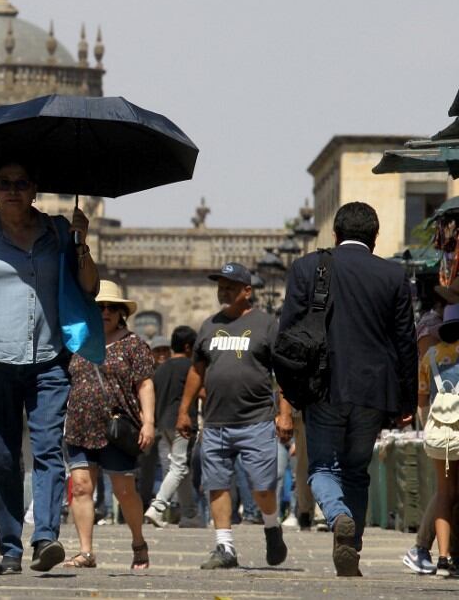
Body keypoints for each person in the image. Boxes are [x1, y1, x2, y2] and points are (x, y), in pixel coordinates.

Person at [0, 160, 99, 575]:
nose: (12, 190)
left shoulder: (58, 232)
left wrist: (81, 243)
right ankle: (10, 546)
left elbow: (89, 288)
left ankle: (45, 536)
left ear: (35, 190)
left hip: (50, 358)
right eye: (4, 183)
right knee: (5, 456)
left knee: (48, 449)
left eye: (22, 183)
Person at [280, 202, 417, 577]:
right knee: (357, 470)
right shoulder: (393, 276)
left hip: (322, 386)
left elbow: (287, 335)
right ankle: (350, 548)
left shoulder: (307, 268)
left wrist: (289, 396)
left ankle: (338, 516)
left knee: (322, 466)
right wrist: (407, 400)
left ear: (335, 235)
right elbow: (406, 342)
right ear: (375, 238)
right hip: (374, 392)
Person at [176, 262, 292, 570]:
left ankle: (271, 526)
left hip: (256, 420)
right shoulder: (208, 326)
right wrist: (184, 410)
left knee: (263, 487)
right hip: (215, 422)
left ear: (247, 291)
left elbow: (282, 373)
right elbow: (196, 371)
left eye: (229, 286)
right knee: (217, 485)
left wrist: (285, 413)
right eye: (220, 286)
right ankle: (224, 546)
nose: (223, 291)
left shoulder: (267, 324)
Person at [62, 281, 155, 570]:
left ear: (120, 313)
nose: (105, 312)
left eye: (111, 308)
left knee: (124, 490)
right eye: (99, 306)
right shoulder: (76, 342)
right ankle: (86, 552)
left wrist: (148, 422)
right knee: (80, 487)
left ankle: (138, 541)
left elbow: (145, 384)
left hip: (116, 428)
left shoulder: (133, 345)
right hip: (79, 425)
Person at [144, 325, 200, 528]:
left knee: (180, 467)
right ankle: (157, 508)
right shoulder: (190, 366)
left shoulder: (161, 369)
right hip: (182, 423)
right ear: (188, 346)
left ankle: (190, 515)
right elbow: (201, 392)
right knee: (178, 467)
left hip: (164, 424)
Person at [418, 303, 459, 576]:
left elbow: (421, 401)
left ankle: (442, 559)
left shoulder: (429, 356)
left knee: (444, 493)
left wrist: (427, 427)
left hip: (439, 432)